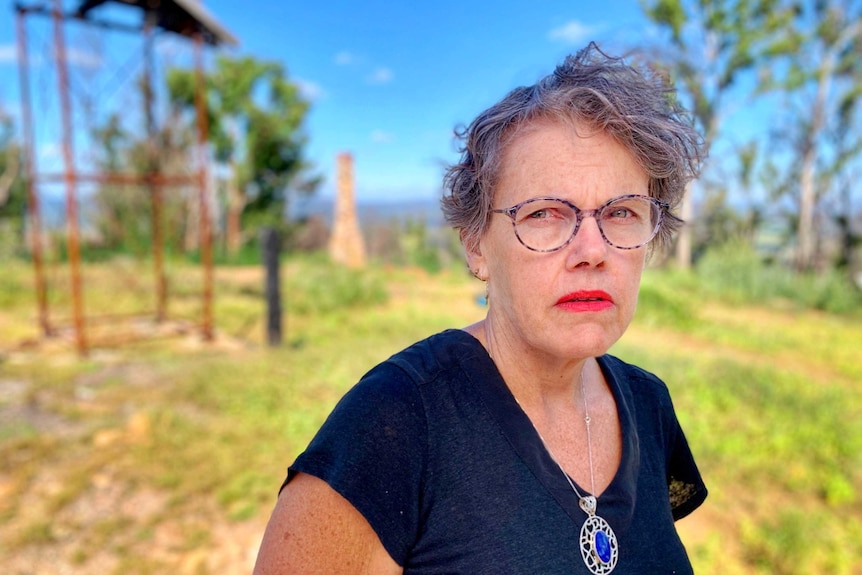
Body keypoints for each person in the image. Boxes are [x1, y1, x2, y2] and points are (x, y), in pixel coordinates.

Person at [253, 42, 708, 575]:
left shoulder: (649, 406)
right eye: (544, 214)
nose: (593, 251)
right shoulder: (395, 422)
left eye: (623, 212)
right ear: (476, 244)